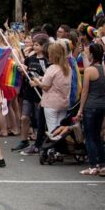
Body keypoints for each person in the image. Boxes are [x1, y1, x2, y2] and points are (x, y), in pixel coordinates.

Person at [14, 34, 49, 154]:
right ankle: (23, 140)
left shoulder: (47, 60)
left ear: (44, 46)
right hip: (28, 92)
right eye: (33, 44)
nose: (34, 46)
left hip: (40, 92)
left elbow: (48, 76)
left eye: (37, 44)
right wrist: (22, 69)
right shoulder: (30, 59)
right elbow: (26, 73)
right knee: (24, 117)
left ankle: (39, 141)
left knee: (39, 119)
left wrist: (38, 80)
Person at [76, 43, 105, 175]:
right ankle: (102, 164)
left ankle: (93, 165)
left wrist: (80, 109)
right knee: (97, 135)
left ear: (92, 55)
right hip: (102, 105)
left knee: (89, 136)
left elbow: (85, 91)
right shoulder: (104, 68)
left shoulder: (89, 70)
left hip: (91, 106)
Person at [32, 43, 71, 138]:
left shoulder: (52, 68)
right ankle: (59, 149)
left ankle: (53, 148)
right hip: (64, 102)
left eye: (49, 53)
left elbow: (45, 86)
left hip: (51, 103)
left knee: (52, 130)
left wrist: (37, 81)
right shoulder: (68, 68)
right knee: (60, 129)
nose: (48, 55)